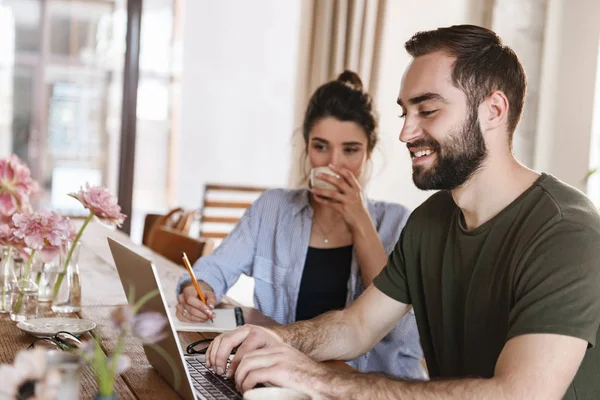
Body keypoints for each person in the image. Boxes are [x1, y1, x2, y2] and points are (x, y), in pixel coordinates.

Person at [205, 24, 600, 399]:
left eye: (427, 110)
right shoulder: (431, 220)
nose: (405, 133)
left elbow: (518, 394)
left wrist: (319, 380)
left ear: (494, 110)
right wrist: (280, 340)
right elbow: (358, 325)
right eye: (404, 113)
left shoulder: (567, 232)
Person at [176, 71, 426, 379]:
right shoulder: (274, 209)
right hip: (283, 381)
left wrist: (359, 221)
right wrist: (196, 288)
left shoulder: (399, 223)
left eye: (350, 150)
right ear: (307, 148)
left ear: (368, 153)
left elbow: (394, 325)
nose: (333, 163)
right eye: (321, 147)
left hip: (372, 387)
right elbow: (214, 269)